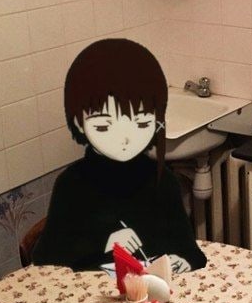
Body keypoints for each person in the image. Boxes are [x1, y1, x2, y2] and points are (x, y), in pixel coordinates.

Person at [32, 38, 206, 273]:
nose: (125, 139)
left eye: (141, 123)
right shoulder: (71, 185)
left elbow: (192, 252)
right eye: (104, 126)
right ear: (80, 123)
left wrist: (182, 261)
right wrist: (104, 244)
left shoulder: (163, 181)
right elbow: (46, 258)